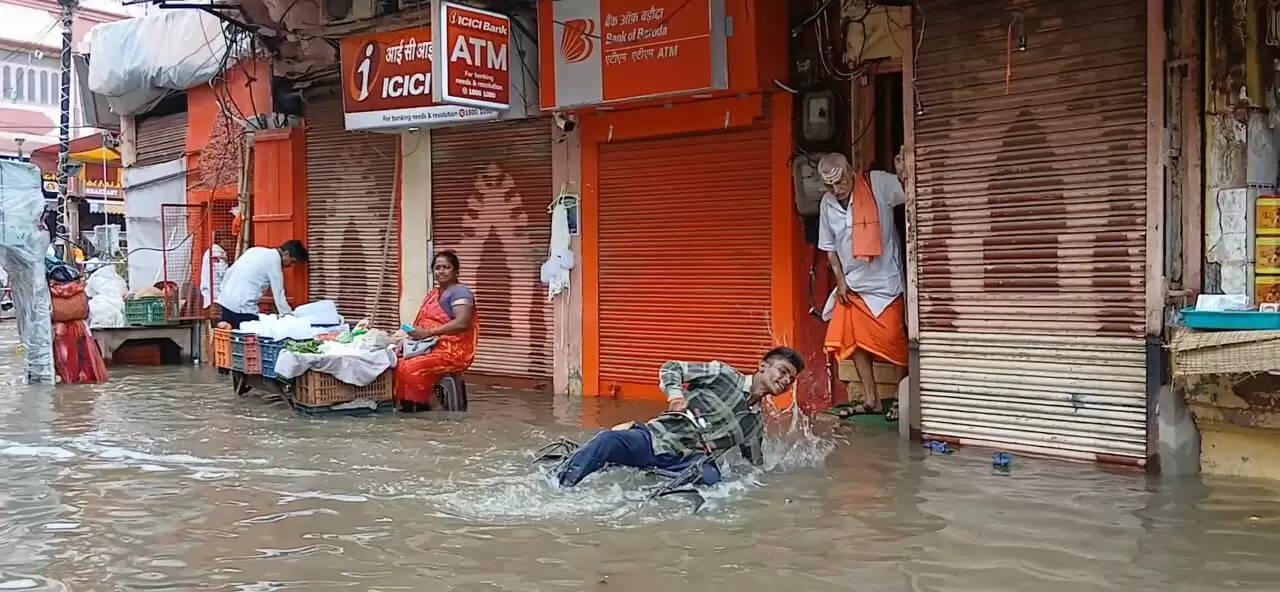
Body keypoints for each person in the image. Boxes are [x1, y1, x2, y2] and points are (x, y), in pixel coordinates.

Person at [557, 347, 805, 488]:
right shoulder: (723, 374)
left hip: (687, 463)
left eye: (790, 379)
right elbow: (671, 367)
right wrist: (675, 396)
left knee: (713, 481)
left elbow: (754, 464)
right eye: (783, 372)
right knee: (606, 441)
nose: (785, 381)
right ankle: (560, 485)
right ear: (762, 366)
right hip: (657, 439)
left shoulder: (754, 424)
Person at [816, 151, 907, 419]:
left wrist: (904, 169)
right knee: (853, 341)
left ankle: (903, 399)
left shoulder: (878, 183)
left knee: (894, 339)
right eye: (829, 185)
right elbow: (829, 248)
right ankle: (871, 399)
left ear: (850, 170)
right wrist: (840, 282)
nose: (836, 189)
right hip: (853, 284)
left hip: (885, 281)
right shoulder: (827, 203)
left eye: (840, 181)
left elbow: (910, 189)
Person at [394, 251, 478, 411]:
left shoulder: (460, 292)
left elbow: (463, 323)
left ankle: (436, 409)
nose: (441, 271)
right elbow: (422, 324)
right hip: (430, 345)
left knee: (409, 368)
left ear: (456, 270)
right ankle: (411, 408)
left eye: (446, 267)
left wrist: (428, 333)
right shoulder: (433, 294)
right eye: (437, 268)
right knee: (394, 362)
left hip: (452, 350)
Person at [214, 240, 308, 329]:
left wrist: (222, 292)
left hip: (226, 301)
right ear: (286, 254)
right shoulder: (274, 261)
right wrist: (289, 318)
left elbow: (230, 272)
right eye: (292, 262)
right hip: (243, 308)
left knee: (227, 336)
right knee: (247, 339)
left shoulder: (254, 250)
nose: (290, 266)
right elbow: (279, 295)